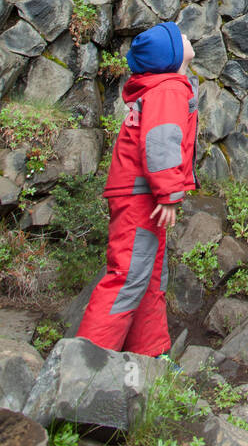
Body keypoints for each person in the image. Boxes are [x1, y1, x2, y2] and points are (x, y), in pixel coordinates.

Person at [77, 21, 198, 358]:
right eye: (181, 37)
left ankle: (150, 356)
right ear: (171, 56)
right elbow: (161, 144)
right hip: (141, 196)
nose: (188, 35)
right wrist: (169, 194)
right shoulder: (169, 89)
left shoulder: (166, 85)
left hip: (141, 194)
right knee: (128, 275)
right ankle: (86, 363)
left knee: (148, 276)